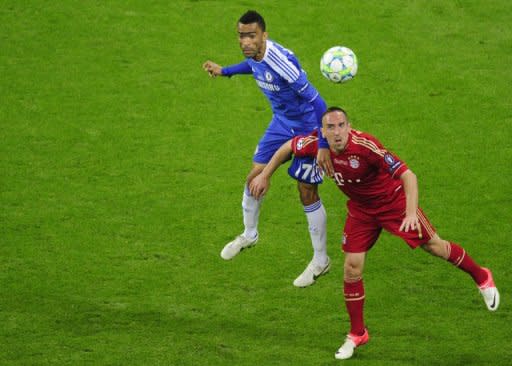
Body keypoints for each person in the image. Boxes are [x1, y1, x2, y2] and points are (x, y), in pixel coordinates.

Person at [249, 106, 500, 360]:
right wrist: (265, 175)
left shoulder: (365, 146)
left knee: (435, 246)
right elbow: (288, 147)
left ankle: (481, 276)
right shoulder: (316, 144)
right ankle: (357, 333)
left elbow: (408, 175)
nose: (337, 133)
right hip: (361, 211)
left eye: (341, 126)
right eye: (331, 128)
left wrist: (411, 213)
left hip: (394, 204)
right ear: (322, 132)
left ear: (349, 126)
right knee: (351, 268)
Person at [203, 10, 333, 287]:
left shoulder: (281, 62)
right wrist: (224, 71)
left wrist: (323, 144)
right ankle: (250, 234)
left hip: (308, 126)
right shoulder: (255, 57)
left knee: (306, 191)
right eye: (241, 36)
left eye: (251, 36)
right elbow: (251, 67)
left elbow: (319, 103)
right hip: (281, 124)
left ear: (264, 35)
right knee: (254, 179)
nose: (245, 42)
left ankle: (320, 260)